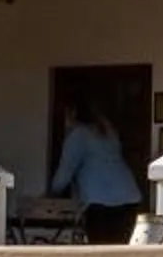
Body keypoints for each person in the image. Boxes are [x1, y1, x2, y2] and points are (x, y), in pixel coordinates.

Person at [47, 99, 146, 244]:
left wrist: (50, 194)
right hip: (128, 197)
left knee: (100, 249)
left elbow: (64, 174)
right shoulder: (108, 131)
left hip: (99, 202)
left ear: (72, 114)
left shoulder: (78, 135)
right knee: (118, 248)